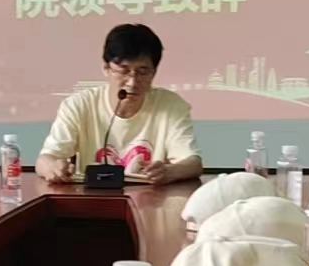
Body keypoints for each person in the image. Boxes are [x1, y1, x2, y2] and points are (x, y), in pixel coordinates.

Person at [35, 24, 202, 186]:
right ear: (106, 68)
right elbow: (44, 160)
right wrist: (53, 167)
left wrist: (170, 171)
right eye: (124, 70)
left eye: (143, 72)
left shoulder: (171, 106)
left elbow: (193, 163)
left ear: (154, 72)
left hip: (150, 197)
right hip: (93, 197)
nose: (132, 82)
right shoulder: (78, 105)